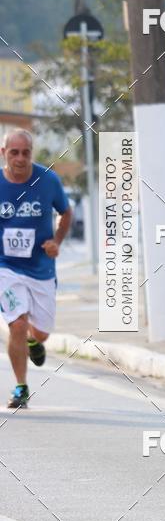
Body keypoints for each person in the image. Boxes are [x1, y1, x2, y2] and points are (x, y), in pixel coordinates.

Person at [0, 129, 72, 409]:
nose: (20, 158)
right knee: (17, 323)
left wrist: (56, 241)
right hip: (6, 266)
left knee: (40, 332)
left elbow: (66, 212)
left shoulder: (48, 180)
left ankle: (34, 340)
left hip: (41, 268)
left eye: (25, 152)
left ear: (32, 153)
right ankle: (21, 388)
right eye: (14, 152)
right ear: (3, 152)